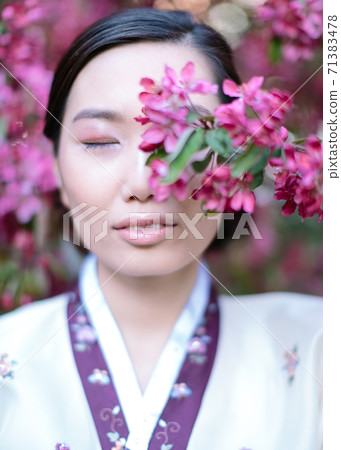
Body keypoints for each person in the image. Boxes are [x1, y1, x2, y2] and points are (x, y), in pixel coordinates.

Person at [0, 8, 322, 450]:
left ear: (240, 160)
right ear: (54, 167)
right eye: (98, 142)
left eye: (192, 137)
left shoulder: (319, 347)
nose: (143, 182)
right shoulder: (8, 358)